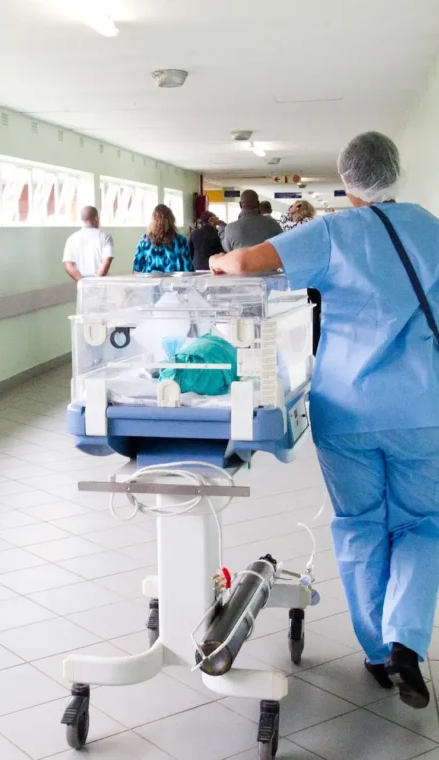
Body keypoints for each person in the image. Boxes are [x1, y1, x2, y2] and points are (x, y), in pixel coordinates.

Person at [210, 131, 439, 710]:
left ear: (349, 179)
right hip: (423, 408)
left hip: (349, 407)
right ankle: (406, 642)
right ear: (395, 171)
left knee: (361, 524)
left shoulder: (335, 232)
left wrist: (217, 256)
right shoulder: (432, 229)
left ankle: (376, 652)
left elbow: (244, 264)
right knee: (423, 525)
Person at [279, 199, 321, 356]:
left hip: (296, 277)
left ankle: (300, 350)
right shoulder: (314, 224)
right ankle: (314, 349)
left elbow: (280, 224)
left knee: (298, 315)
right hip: (313, 276)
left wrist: (288, 211)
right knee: (315, 314)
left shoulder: (296, 226)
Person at [133, 204, 193, 273]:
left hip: (150, 282)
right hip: (173, 282)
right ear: (171, 220)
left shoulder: (145, 240)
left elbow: (137, 266)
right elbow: (188, 268)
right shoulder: (180, 241)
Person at [63, 206, 114, 280]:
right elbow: (106, 263)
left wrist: (82, 281)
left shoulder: (71, 239)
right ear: (96, 218)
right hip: (102, 284)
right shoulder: (105, 237)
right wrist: (95, 282)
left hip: (82, 287)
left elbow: (68, 265)